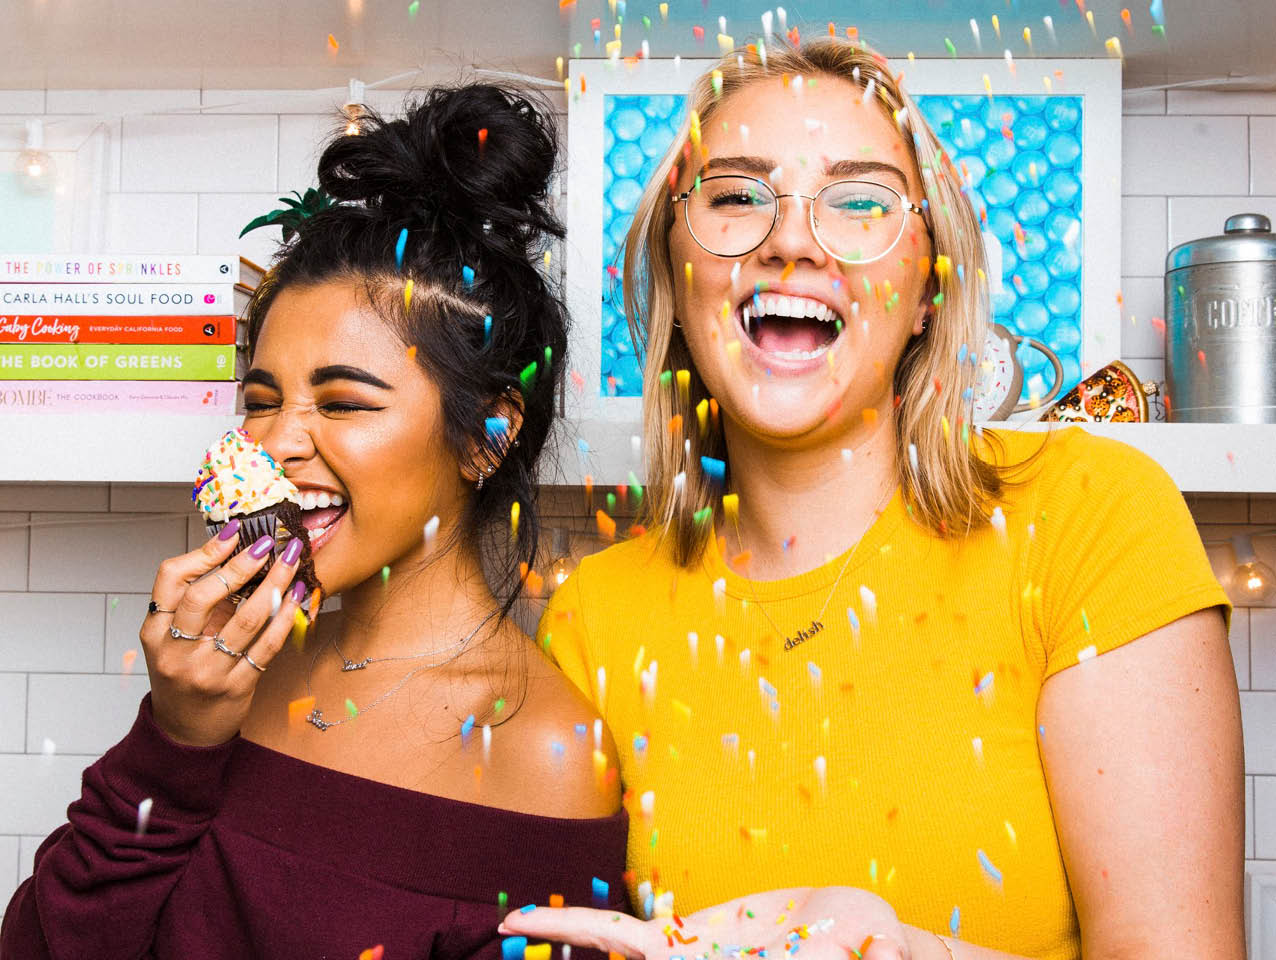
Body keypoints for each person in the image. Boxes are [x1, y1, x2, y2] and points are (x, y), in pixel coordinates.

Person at [512, 38, 1245, 960]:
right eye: (736, 196)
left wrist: (900, 950)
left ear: (929, 288)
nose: (790, 240)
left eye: (859, 201)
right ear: (676, 276)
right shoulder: (591, 621)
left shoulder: (1091, 517)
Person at [1, 83, 626, 959]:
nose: (276, 443)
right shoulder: (226, 679)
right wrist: (175, 739)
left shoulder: (548, 751)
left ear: (488, 435)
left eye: (342, 403)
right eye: (261, 401)